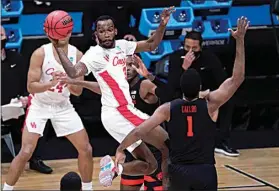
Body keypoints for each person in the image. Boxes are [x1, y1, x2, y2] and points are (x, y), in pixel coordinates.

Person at [115, 16, 249, 191]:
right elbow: (237, 78)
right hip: (205, 170)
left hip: (179, 170)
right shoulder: (210, 106)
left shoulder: (168, 108)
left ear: (182, 88)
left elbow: (139, 130)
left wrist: (120, 148)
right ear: (200, 87)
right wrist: (239, 41)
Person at [52, 7, 175, 188]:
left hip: (122, 112)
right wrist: (58, 47)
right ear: (96, 35)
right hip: (119, 112)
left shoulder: (122, 46)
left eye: (109, 30)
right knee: (167, 145)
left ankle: (114, 168)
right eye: (101, 31)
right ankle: (167, 187)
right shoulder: (94, 54)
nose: (106, 34)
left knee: (150, 166)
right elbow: (73, 71)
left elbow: (151, 45)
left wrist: (162, 24)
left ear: (115, 31)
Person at [2, 12, 94, 190]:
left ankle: (88, 188)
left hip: (63, 107)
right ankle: (6, 188)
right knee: (26, 152)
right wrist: (50, 83)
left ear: (68, 32)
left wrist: (68, 80)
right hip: (40, 105)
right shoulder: (40, 53)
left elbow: (77, 92)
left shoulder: (78, 56)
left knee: (86, 149)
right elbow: (31, 87)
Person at [59, 55, 169, 190]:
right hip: (132, 146)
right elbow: (100, 88)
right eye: (124, 66)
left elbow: (168, 93)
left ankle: (116, 169)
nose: (127, 69)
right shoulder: (118, 87)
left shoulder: (144, 84)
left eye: (131, 65)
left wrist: (149, 75)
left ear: (139, 66)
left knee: (154, 174)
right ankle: (116, 169)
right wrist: (76, 82)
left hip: (153, 148)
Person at [166, 30, 239, 157]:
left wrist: (210, 93)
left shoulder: (209, 58)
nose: (190, 51)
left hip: (205, 94)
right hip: (183, 95)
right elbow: (172, 86)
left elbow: (222, 81)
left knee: (228, 100)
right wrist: (184, 68)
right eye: (187, 47)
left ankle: (221, 142)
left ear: (201, 47)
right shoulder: (175, 58)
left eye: (194, 48)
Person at [1, 25, 53, 174]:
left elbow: (29, 84)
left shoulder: (17, 58)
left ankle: (35, 159)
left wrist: (25, 98)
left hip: (16, 109)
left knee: (40, 116)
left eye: (1, 35)